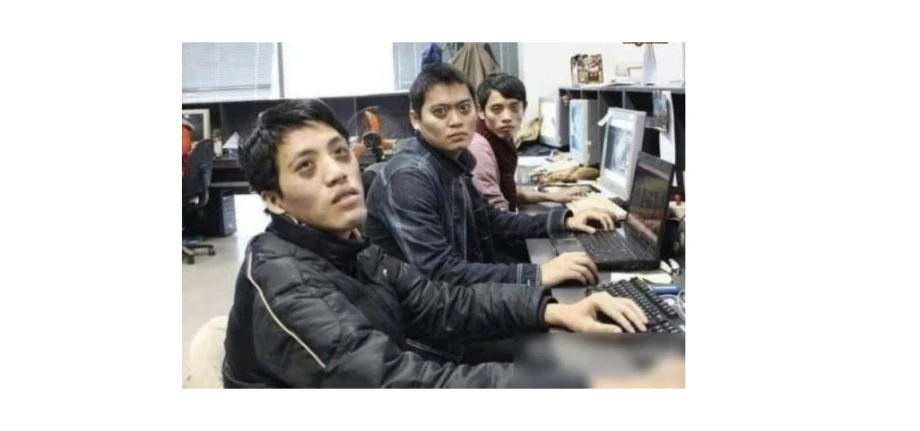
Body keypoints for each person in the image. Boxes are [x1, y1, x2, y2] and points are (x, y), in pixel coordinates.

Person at [222, 99, 674, 389]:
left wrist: (554, 312)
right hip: (398, 376)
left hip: (402, 358)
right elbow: (397, 385)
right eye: (306, 166)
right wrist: (573, 379)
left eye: (340, 152)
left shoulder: (346, 243)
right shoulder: (287, 282)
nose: (338, 172)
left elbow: (439, 301)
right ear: (273, 199)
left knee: (627, 360)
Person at [365, 64, 614, 288]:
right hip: (431, 314)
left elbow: (492, 220)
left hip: (464, 290)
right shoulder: (409, 178)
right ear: (416, 119)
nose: (456, 121)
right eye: (440, 112)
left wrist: (563, 221)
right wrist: (537, 274)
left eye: (464, 108)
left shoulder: (454, 161)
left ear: (475, 110)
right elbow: (440, 274)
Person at [468, 73, 587, 212]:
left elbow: (507, 194)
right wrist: (563, 220)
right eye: (497, 109)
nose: (506, 117)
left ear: (524, 108)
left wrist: (552, 196)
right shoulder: (480, 149)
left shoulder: (502, 140)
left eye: (514, 108)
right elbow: (497, 216)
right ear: (481, 111)